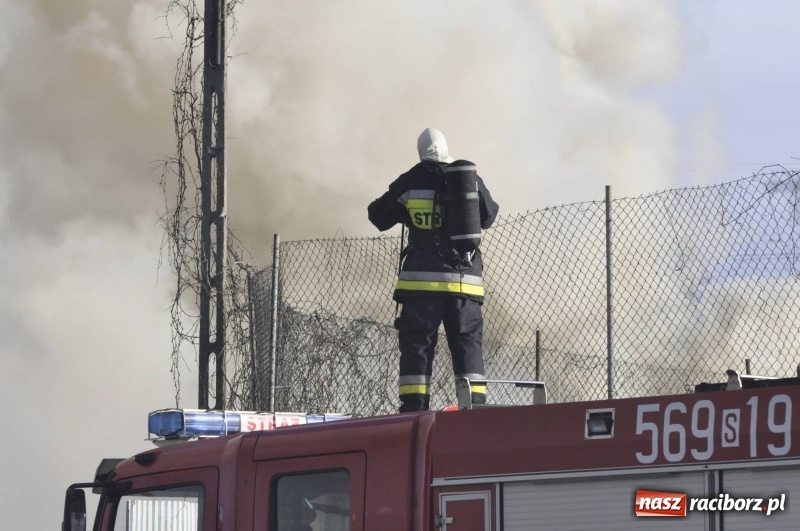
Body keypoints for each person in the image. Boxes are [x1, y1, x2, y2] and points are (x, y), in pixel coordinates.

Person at [368, 128, 499, 412]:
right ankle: (474, 411)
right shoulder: (468, 179)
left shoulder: (412, 180)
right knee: (468, 350)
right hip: (466, 286)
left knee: (417, 348)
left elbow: (377, 215)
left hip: (421, 288)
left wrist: (408, 212)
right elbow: (489, 216)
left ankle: (414, 412)